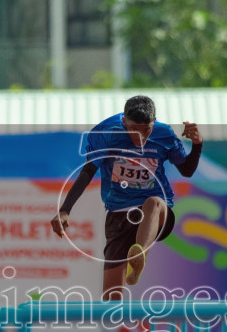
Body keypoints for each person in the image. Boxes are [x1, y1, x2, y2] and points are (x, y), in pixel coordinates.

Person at [50, 95, 202, 301]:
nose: (140, 138)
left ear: (154, 121)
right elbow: (87, 172)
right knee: (111, 299)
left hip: (156, 215)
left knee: (154, 202)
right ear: (124, 122)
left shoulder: (164, 134)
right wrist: (65, 209)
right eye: (133, 131)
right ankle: (134, 261)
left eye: (146, 130)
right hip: (118, 216)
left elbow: (187, 170)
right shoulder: (105, 133)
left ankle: (139, 255)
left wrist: (197, 145)